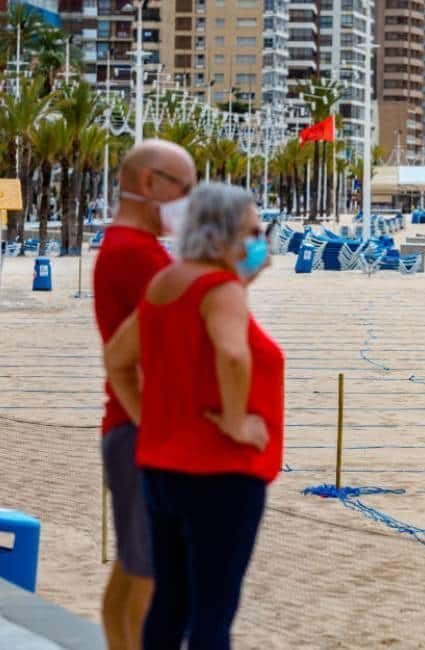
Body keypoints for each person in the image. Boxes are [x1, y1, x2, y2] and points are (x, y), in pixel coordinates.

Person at [104, 183, 284, 650]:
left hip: (164, 469)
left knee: (170, 606)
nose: (260, 241)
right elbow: (232, 355)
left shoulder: (167, 282)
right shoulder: (219, 287)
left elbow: (118, 359)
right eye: (252, 231)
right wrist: (236, 419)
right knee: (212, 613)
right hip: (221, 471)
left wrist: (149, 419)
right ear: (220, 234)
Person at [93, 139, 196, 650]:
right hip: (143, 431)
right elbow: (136, 355)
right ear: (149, 183)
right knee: (151, 582)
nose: (189, 201)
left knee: (133, 573)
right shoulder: (136, 255)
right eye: (185, 187)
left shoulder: (127, 248)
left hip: (129, 427)